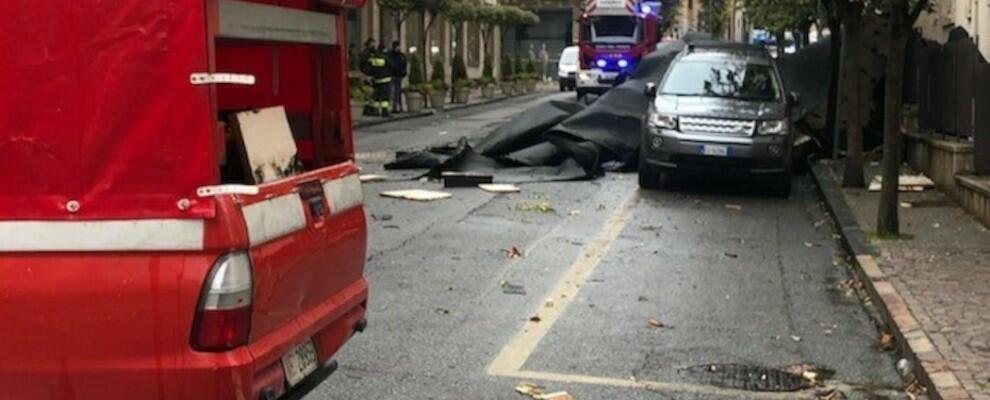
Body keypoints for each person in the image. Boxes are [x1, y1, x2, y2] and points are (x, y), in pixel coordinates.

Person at [359, 39, 392, 117]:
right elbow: (391, 65)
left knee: (377, 96)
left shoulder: (372, 58)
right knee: (385, 97)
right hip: (385, 79)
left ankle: (376, 111)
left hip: (376, 79)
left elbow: (368, 67)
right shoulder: (384, 57)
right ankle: (384, 111)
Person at [386, 41, 408, 114]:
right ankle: (392, 107)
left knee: (397, 92)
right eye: (397, 46)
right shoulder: (390, 55)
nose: (398, 48)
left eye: (398, 46)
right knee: (391, 91)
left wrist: (403, 73)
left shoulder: (401, 55)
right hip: (392, 75)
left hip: (398, 76)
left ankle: (397, 107)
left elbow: (404, 65)